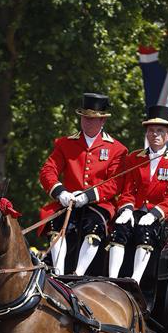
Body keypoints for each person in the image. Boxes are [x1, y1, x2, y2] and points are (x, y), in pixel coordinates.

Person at [38, 92, 128, 275]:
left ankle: (78, 274)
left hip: (98, 204)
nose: (87, 122)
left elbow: (115, 183)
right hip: (68, 201)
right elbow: (47, 171)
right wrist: (60, 192)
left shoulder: (117, 149)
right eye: (84, 118)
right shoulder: (65, 144)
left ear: (102, 121)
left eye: (92, 119)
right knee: (56, 225)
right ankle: (58, 272)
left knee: (93, 228)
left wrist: (87, 196)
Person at [108, 105, 168, 283]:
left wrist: (155, 214)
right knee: (119, 230)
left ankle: (135, 281)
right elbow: (127, 190)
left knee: (146, 231)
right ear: (147, 133)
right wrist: (127, 209)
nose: (155, 134)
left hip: (161, 214)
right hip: (135, 210)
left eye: (160, 131)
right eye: (151, 130)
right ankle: (112, 279)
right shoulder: (134, 158)